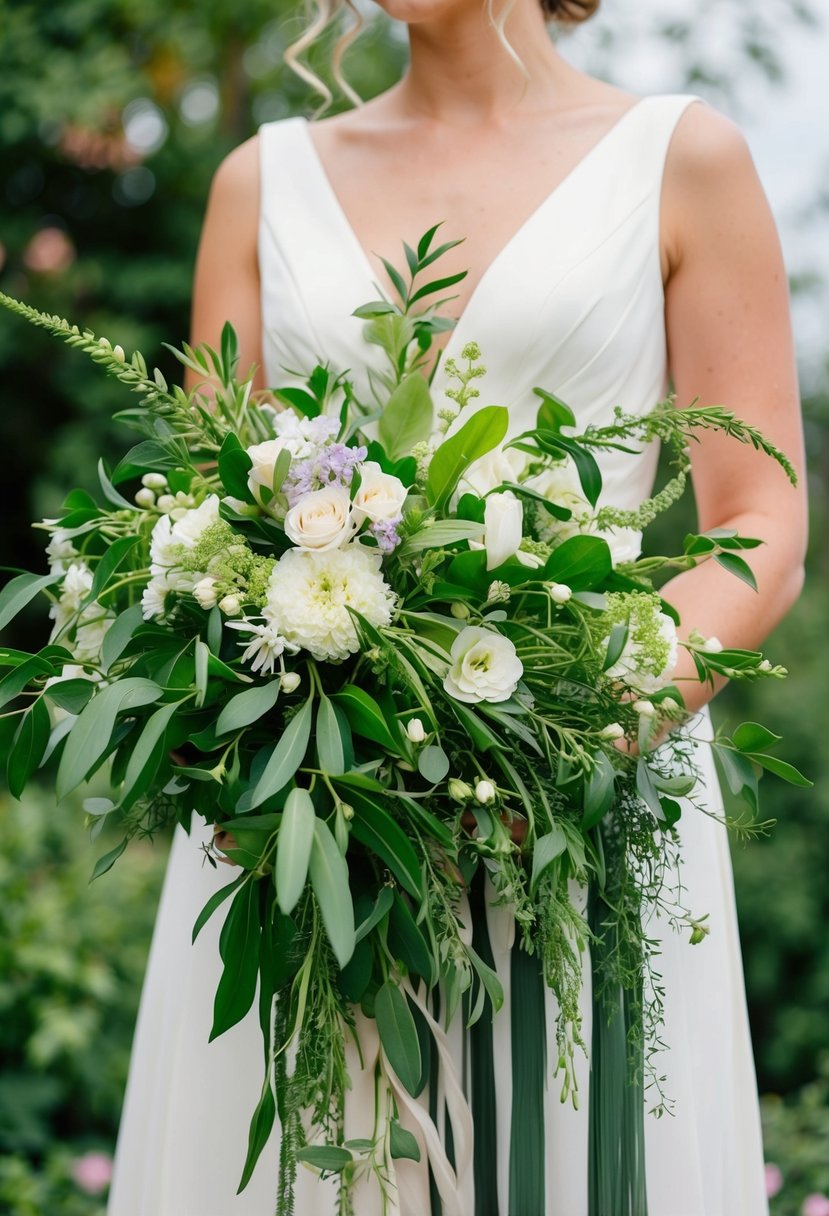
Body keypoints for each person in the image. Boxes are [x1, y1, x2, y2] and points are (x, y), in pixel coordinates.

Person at [107, 0, 808, 1212]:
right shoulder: (258, 184)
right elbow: (210, 519)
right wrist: (234, 743)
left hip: (586, 800)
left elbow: (759, 526)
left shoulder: (682, 159)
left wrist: (574, 737)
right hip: (315, 823)